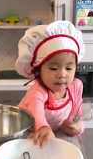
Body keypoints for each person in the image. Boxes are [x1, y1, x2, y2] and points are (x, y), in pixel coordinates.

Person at [15, 20, 86, 148]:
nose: (62, 74)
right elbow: (37, 113)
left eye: (69, 68)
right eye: (53, 68)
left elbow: (77, 116)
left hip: (53, 137)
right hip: (27, 138)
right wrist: (42, 127)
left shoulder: (76, 86)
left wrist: (76, 126)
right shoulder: (38, 91)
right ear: (38, 70)